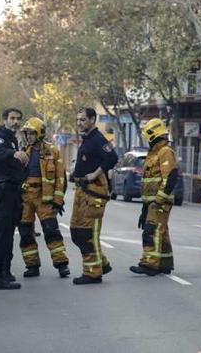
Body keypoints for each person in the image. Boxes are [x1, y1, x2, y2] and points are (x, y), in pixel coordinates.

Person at [69, 108, 118, 285]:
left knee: (87, 234)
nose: (79, 123)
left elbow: (112, 157)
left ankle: (92, 273)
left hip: (94, 193)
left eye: (83, 120)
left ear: (92, 120)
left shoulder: (98, 139)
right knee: (76, 232)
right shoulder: (87, 140)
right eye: (78, 120)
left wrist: (94, 174)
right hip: (82, 191)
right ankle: (102, 263)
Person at [18, 117, 70, 278]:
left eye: (31, 133)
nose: (28, 136)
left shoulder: (52, 151)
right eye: (26, 133)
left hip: (44, 197)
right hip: (25, 197)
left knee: (51, 231)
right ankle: (32, 266)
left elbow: (61, 178)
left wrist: (57, 200)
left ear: (39, 133)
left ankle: (62, 265)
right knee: (26, 233)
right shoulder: (22, 152)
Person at [129, 118, 179, 276]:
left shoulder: (165, 152)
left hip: (160, 202)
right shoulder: (154, 153)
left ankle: (149, 264)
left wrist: (159, 200)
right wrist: (145, 208)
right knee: (161, 231)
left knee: (151, 231)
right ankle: (165, 263)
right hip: (152, 202)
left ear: (154, 136)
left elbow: (170, 177)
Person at [0, 108, 29, 290]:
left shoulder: (13, 139)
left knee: (8, 234)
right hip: (2, 193)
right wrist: (15, 154)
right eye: (12, 118)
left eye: (18, 119)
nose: (16, 122)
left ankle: (4, 271)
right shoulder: (1, 137)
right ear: (5, 119)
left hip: (12, 193)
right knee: (1, 235)